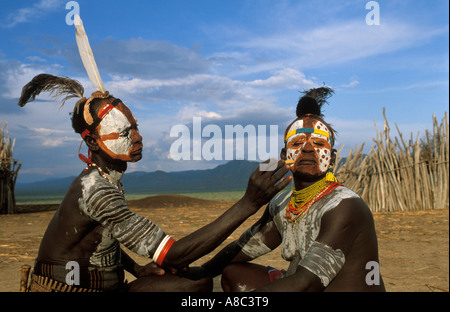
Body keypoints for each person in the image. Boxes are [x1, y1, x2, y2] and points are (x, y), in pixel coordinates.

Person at [17, 74, 292, 292]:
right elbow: (173, 256)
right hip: (69, 290)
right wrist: (249, 203)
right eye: (125, 131)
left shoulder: (104, 181)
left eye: (135, 126)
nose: (137, 137)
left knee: (195, 281)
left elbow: (93, 242)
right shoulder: (96, 191)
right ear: (92, 142)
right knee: (190, 277)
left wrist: (136, 269)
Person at [201, 87, 386, 292]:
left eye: (318, 143)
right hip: (305, 283)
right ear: (284, 155)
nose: (307, 149)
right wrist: (200, 272)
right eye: (297, 142)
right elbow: (243, 248)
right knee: (233, 274)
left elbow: (305, 284)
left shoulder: (344, 205)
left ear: (332, 158)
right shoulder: (282, 204)